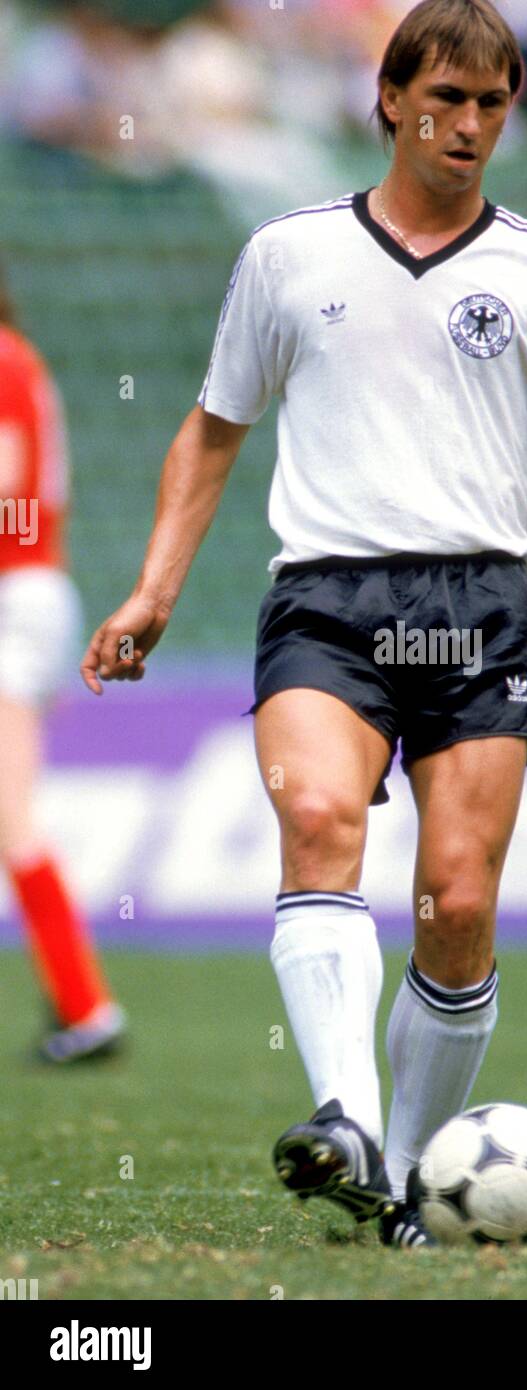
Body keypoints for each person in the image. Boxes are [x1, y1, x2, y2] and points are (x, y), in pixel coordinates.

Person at [81, 0, 527, 1247]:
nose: (467, 126)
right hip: (327, 597)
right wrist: (154, 588)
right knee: (313, 819)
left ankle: (404, 1176)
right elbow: (212, 430)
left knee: (454, 905)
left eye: (490, 105)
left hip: (479, 607)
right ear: (389, 97)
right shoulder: (289, 255)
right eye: (446, 99)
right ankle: (347, 1119)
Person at [0, 264, 126, 1063]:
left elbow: (8, 485)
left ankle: (88, 1008)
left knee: (12, 816)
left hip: (14, 593)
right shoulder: (20, 357)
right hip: (32, 591)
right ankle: (77, 1004)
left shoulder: (5, 359)